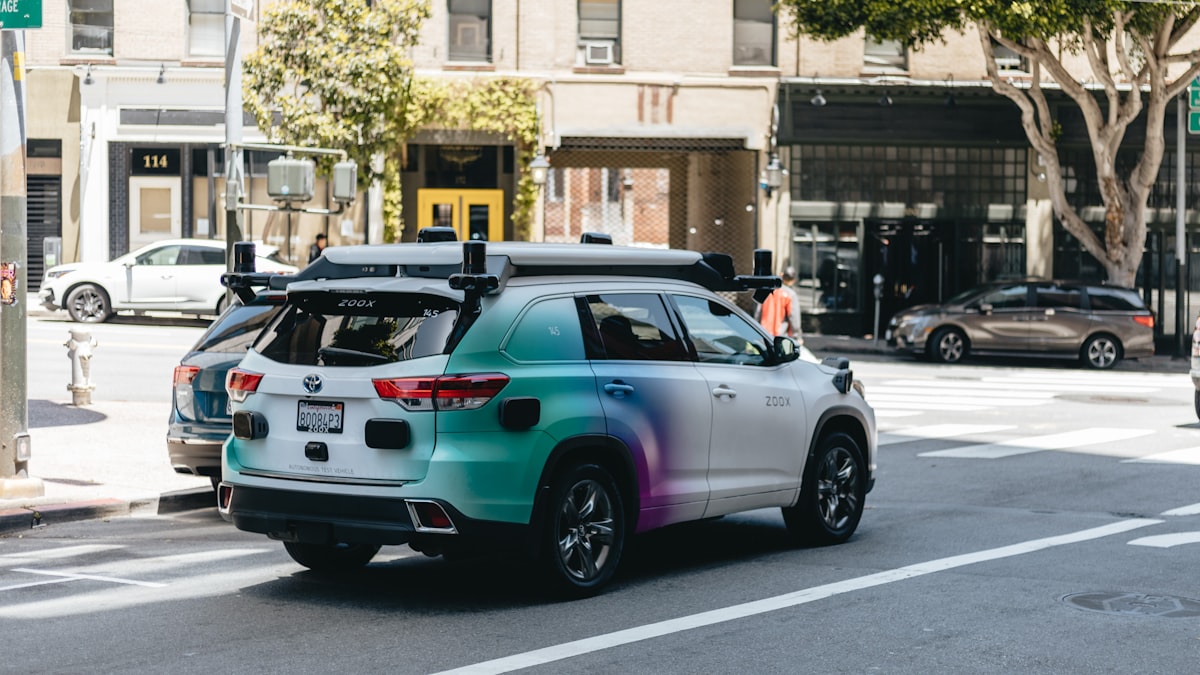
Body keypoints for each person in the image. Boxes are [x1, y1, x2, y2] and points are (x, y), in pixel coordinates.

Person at [756, 267, 803, 342]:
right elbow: (794, 317)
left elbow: (757, 312)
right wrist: (797, 336)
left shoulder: (766, 291)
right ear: (793, 280)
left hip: (763, 333)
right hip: (780, 335)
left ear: (781, 275)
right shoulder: (790, 294)